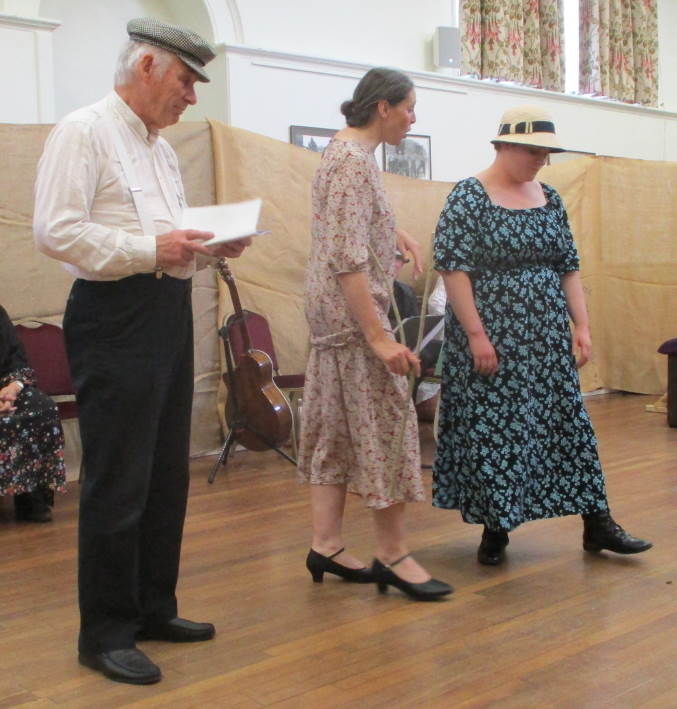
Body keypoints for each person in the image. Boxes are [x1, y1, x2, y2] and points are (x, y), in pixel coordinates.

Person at [33, 18, 251, 685]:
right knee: (119, 477)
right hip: (113, 317)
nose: (192, 96)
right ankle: (103, 633)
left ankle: (153, 608)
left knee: (164, 473)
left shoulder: (160, 150)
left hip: (165, 311)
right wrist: (151, 249)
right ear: (148, 66)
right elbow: (55, 230)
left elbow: (165, 241)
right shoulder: (84, 130)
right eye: (186, 80)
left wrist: (205, 246)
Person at [433, 105, 651, 566]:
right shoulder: (469, 196)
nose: (542, 161)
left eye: (546, 153)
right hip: (493, 340)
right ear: (505, 146)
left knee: (569, 426)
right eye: (534, 152)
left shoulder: (549, 197)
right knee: (497, 431)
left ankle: (598, 523)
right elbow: (453, 269)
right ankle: (496, 530)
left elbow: (568, 267)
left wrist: (582, 326)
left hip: (546, 340)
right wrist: (476, 335)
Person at [298, 67, 452, 601]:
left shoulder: (345, 154)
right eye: (409, 107)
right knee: (389, 427)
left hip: (332, 319)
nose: (413, 117)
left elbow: (347, 229)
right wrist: (380, 337)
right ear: (383, 107)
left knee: (334, 428)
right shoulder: (351, 162)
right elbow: (346, 258)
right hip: (351, 323)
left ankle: (326, 544)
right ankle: (392, 554)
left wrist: (392, 232)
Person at [0, 306, 66, 522]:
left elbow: (17, 361)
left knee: (41, 407)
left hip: (4, 390)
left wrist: (13, 387)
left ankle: (31, 497)